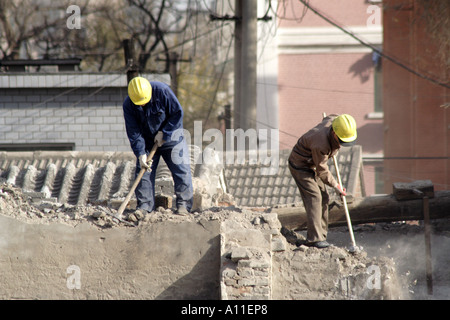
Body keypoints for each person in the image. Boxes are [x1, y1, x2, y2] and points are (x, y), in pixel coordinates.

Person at [123, 76, 193, 218]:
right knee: (143, 172)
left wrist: (165, 133)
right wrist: (141, 153)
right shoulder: (128, 105)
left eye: (144, 102)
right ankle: (144, 207)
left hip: (171, 136)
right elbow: (133, 131)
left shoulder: (162, 91)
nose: (142, 105)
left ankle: (183, 205)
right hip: (148, 141)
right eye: (139, 104)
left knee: (182, 169)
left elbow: (177, 114)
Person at [288, 114, 357, 248]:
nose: (342, 145)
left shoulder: (336, 122)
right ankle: (314, 239)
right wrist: (336, 185)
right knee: (315, 197)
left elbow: (330, 117)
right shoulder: (321, 144)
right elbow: (322, 170)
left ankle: (321, 235)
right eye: (341, 141)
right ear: (334, 134)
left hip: (312, 164)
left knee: (325, 197)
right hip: (300, 165)